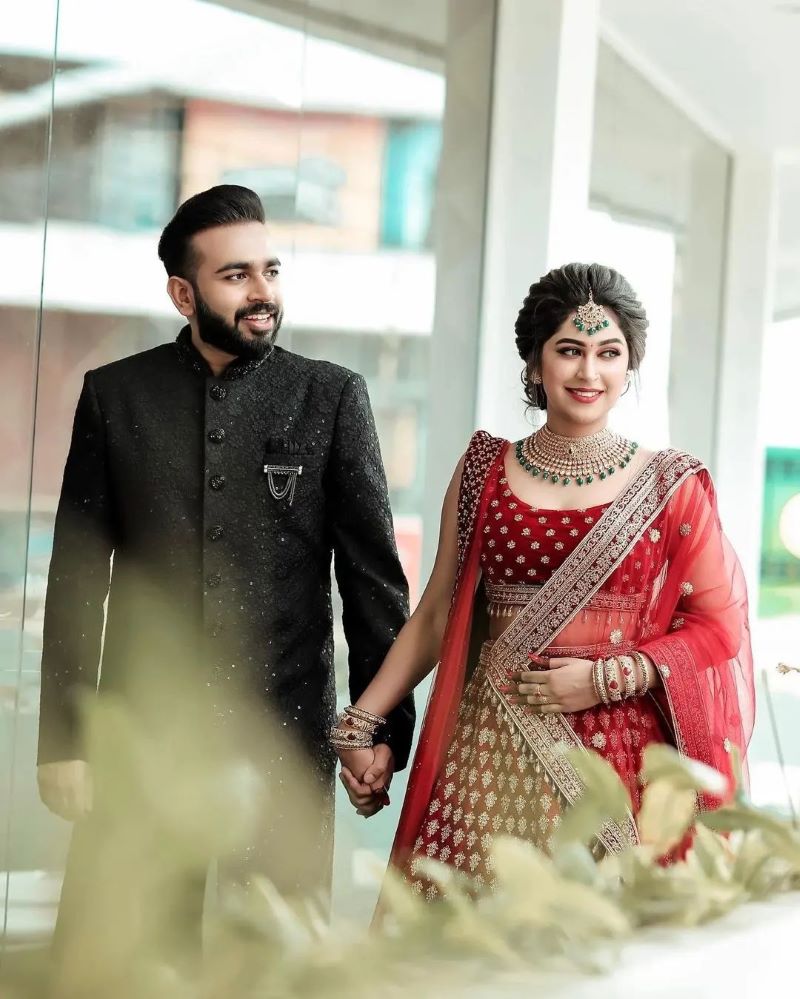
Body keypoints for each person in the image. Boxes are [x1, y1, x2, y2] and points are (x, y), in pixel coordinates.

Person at [37, 184, 414, 948]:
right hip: (141, 737)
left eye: (270, 271)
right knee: (123, 957)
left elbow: (373, 580)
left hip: (284, 732)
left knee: (272, 961)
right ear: (183, 293)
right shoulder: (115, 397)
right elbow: (78, 581)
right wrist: (67, 736)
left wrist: (380, 729)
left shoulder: (331, 397)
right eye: (235, 275)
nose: (262, 293)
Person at [332, 262, 754, 898]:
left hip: (618, 764)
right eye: (569, 351)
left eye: (609, 353)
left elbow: (717, 629)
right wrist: (360, 723)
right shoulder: (483, 470)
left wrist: (608, 677)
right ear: (535, 364)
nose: (589, 372)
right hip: (488, 756)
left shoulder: (672, 486)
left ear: (629, 367)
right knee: (468, 948)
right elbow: (437, 615)